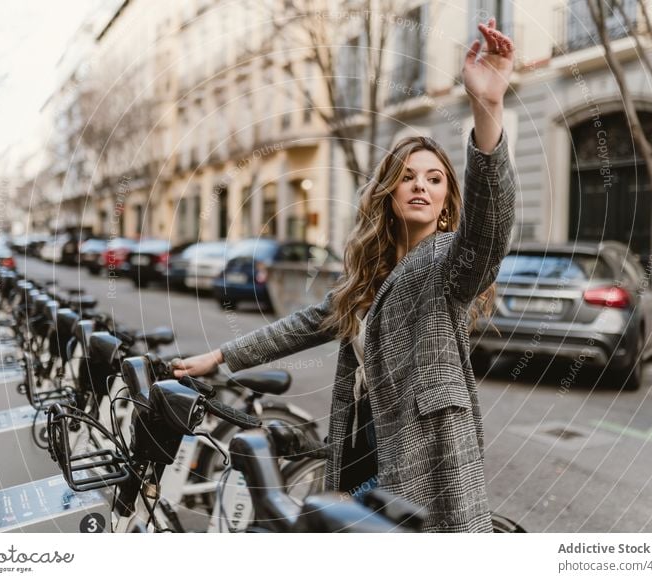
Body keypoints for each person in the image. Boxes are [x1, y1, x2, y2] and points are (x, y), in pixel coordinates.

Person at [172, 18, 516, 532]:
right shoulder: (371, 277)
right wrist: (220, 357)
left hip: (427, 461)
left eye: (435, 178)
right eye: (407, 178)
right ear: (389, 196)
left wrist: (486, 107)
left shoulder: (446, 260)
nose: (420, 186)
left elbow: (489, 231)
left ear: (447, 200)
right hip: (360, 446)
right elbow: (308, 322)